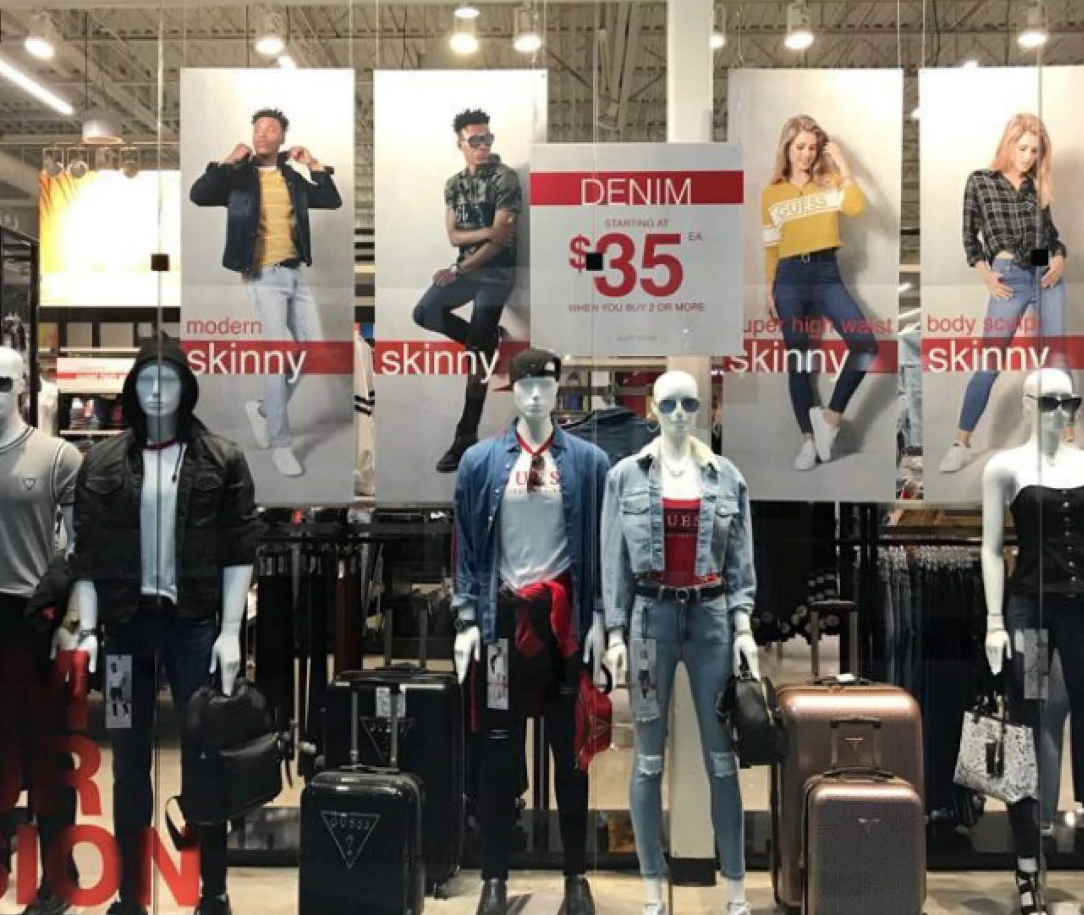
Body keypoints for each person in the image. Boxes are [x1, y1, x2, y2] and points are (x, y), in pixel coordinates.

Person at [189, 107, 342, 478]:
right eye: (257, 129)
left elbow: (330, 199)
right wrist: (228, 159)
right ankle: (281, 444)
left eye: (270, 129)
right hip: (262, 275)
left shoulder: (291, 178)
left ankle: (262, 410)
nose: (262, 134)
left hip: (295, 273)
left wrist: (313, 164)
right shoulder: (239, 177)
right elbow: (199, 194)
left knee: (312, 352)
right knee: (278, 357)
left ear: (282, 138)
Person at [940, 113, 1068, 474]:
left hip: (1045, 273)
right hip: (1008, 276)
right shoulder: (981, 181)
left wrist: (1059, 257)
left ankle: (1068, 442)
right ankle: (960, 443)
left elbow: (1051, 236)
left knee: (1056, 361)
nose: (1028, 157)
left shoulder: (1035, 187)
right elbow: (969, 237)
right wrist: (987, 275)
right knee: (989, 362)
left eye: (1035, 151)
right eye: (1023, 148)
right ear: (1009, 144)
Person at [761, 115, 878, 471]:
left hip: (826, 274)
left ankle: (829, 419)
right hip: (788, 278)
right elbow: (771, 247)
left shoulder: (830, 184)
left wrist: (842, 165)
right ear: (787, 148)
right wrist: (770, 288)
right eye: (800, 147)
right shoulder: (771, 193)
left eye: (812, 148)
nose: (806, 154)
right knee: (799, 361)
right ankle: (808, 442)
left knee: (865, 345)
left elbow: (856, 206)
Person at [413, 108, 521, 473]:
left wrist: (459, 267)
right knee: (424, 312)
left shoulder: (505, 178)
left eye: (487, 138)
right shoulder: (453, 184)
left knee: (476, 353)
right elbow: (453, 236)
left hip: (497, 272)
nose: (483, 146)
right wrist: (485, 232)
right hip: (468, 267)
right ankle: (487, 340)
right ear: (460, 144)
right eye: (475, 140)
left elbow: (501, 241)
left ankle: (465, 435)